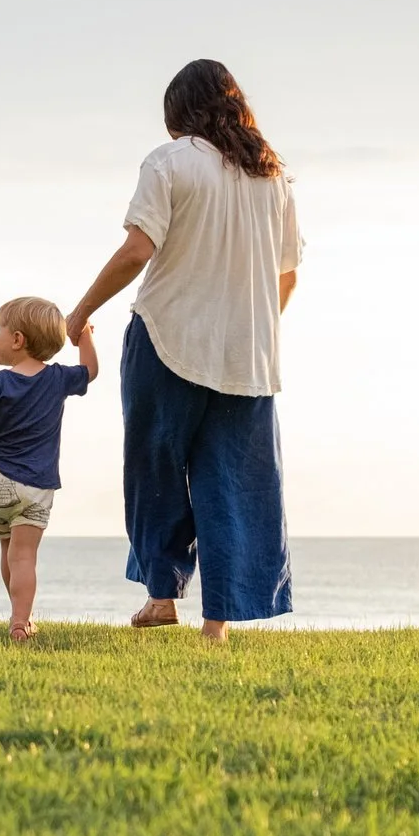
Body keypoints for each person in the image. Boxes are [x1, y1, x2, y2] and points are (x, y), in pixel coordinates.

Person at [66, 60, 302, 639]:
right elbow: (287, 276)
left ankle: (162, 596)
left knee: (155, 470)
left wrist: (81, 311)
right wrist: (247, 328)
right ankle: (215, 625)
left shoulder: (169, 161)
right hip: (248, 358)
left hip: (166, 338)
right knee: (233, 485)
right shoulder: (273, 178)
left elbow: (137, 251)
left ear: (178, 112)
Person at [0, 296, 99, 642]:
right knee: (25, 556)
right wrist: (84, 336)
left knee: (8, 550)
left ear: (18, 339)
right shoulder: (57, 379)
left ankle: (18, 614)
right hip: (36, 486)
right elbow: (90, 372)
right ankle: (20, 622)